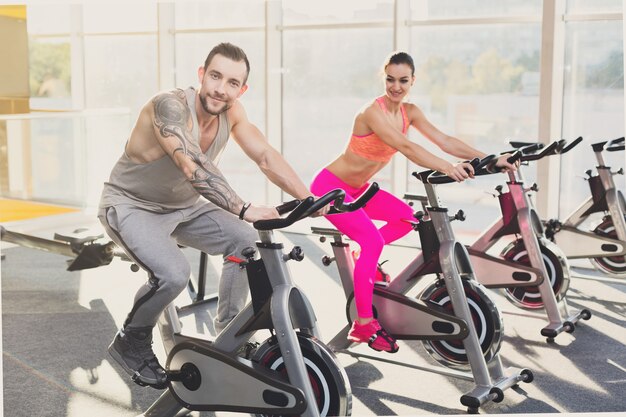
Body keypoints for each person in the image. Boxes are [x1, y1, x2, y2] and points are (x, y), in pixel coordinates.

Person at [98, 42, 324, 388]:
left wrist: (307, 197)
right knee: (173, 274)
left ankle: (231, 335)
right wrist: (245, 208)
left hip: (185, 206)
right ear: (201, 75)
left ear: (242, 89)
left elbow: (264, 155)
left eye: (233, 82)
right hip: (131, 204)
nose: (221, 88)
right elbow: (193, 167)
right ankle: (131, 338)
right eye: (216, 76)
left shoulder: (232, 112)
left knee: (247, 242)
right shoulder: (169, 106)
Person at [310, 51, 516, 354]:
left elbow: (445, 140)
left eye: (403, 80)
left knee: (407, 219)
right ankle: (363, 323)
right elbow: (405, 146)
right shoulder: (372, 112)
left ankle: (362, 258)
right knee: (372, 242)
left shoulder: (411, 112)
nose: (396, 86)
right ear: (384, 77)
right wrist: (448, 167)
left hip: (360, 188)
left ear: (412, 81)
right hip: (332, 188)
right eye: (390, 79)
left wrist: (489, 159)